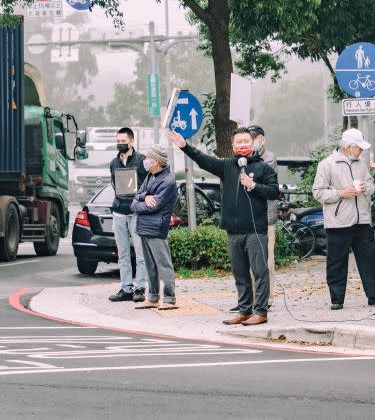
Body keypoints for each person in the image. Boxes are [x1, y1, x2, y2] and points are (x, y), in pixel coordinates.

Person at [167, 128, 279, 326]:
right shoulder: (227, 166)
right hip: (233, 230)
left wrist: (253, 185)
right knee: (239, 273)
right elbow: (204, 160)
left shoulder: (264, 168)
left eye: (246, 141)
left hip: (255, 231)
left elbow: (273, 192)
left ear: (253, 144)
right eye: (239, 142)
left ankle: (260, 312)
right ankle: (244, 310)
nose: (243, 145)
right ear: (233, 146)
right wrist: (185, 147)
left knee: (260, 272)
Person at [312, 128, 375, 310]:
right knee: (336, 261)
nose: (362, 151)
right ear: (349, 146)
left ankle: (373, 296)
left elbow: (371, 184)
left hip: (362, 220)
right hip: (338, 222)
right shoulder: (327, 164)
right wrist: (340, 193)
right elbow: (317, 192)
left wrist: (366, 187)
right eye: (359, 147)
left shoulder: (361, 164)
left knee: (369, 260)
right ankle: (337, 299)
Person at [130, 145, 180, 310]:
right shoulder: (150, 176)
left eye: (148, 158)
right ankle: (152, 297)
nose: (145, 161)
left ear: (156, 161)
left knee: (163, 264)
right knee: (150, 265)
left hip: (156, 228)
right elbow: (135, 200)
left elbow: (153, 206)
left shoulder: (168, 181)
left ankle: (169, 298)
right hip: (144, 226)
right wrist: (144, 197)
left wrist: (140, 202)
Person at [108, 127, 148, 303]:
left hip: (136, 212)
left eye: (123, 142)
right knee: (122, 253)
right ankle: (126, 288)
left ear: (131, 141)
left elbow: (148, 184)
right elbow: (114, 184)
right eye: (118, 142)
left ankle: (140, 288)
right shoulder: (113, 163)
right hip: (118, 212)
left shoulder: (141, 160)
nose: (120, 145)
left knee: (140, 253)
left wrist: (141, 199)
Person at [247, 124, 277, 310]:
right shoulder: (245, 158)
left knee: (267, 258)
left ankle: (268, 297)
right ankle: (251, 297)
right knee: (250, 259)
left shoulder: (269, 158)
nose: (251, 143)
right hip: (248, 215)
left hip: (267, 216)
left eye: (253, 139)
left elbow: (260, 181)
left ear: (261, 139)